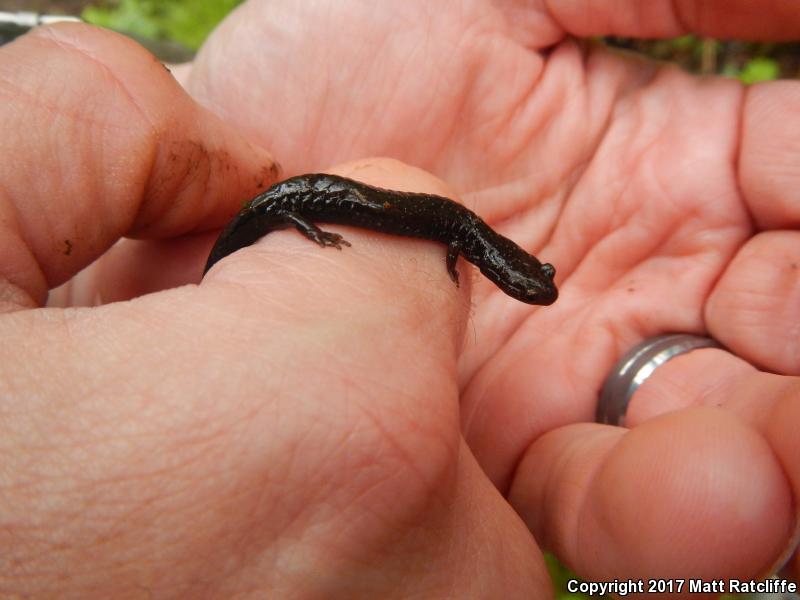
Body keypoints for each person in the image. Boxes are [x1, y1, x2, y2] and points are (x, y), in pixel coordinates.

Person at [0, 1, 797, 597]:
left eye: (528, 284)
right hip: (291, 199)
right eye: (525, 284)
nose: (526, 289)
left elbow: (464, 243)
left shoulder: (469, 238)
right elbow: (448, 240)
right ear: (503, 268)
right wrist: (306, 232)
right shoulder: (464, 239)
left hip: (299, 196)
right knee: (292, 217)